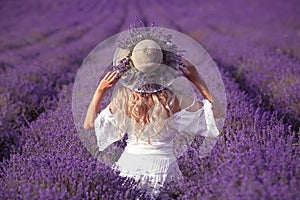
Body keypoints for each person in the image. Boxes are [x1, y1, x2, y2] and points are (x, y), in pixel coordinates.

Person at [83, 39, 225, 199]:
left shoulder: (124, 98)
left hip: (130, 168)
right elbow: (217, 112)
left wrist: (100, 90)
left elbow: (89, 124)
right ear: (165, 67)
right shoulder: (174, 99)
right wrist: (198, 80)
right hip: (165, 170)